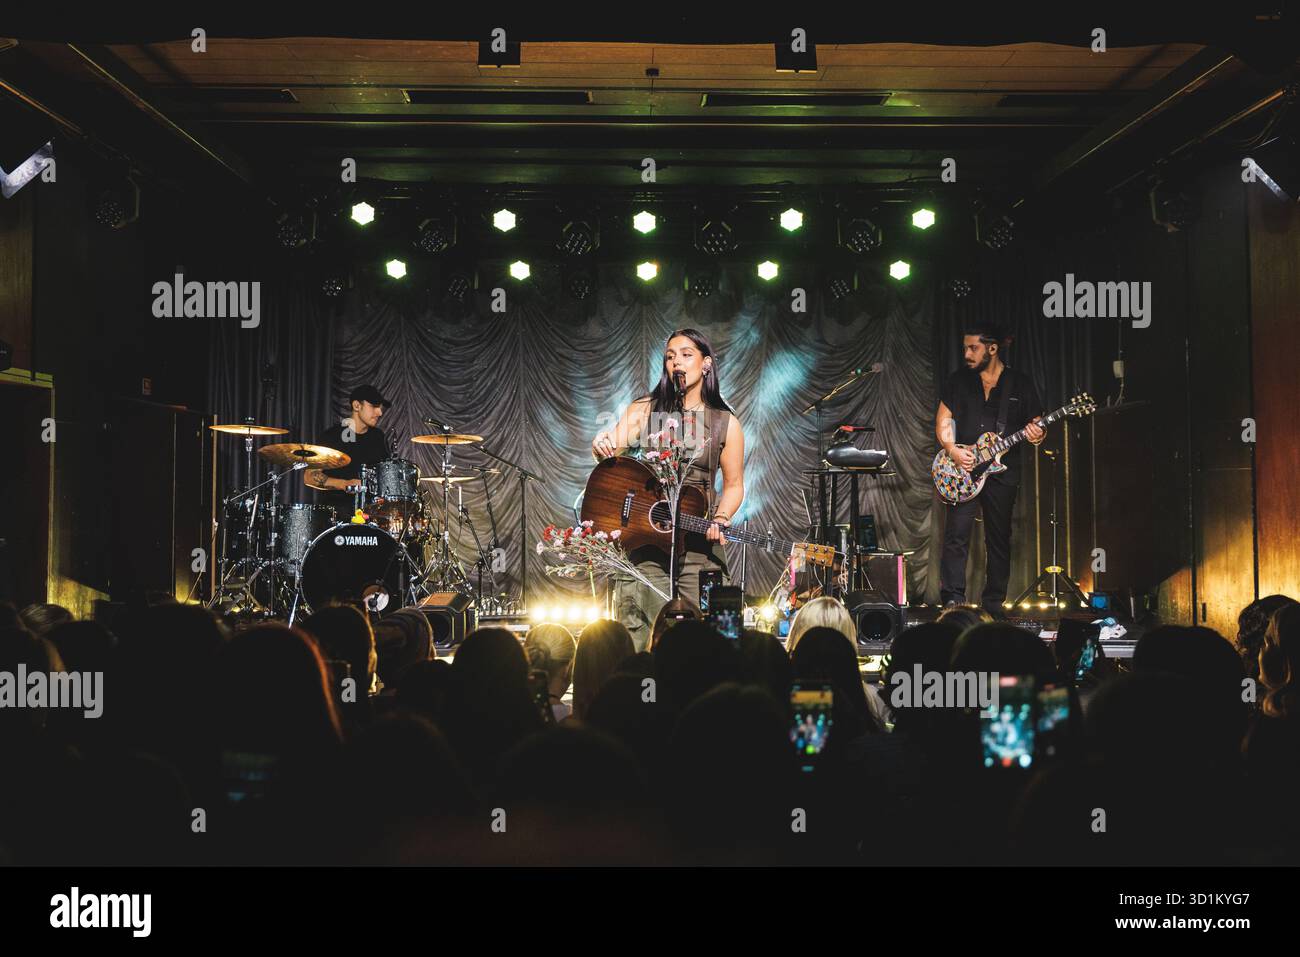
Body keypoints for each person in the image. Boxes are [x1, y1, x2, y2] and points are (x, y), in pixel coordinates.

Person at [591, 329, 746, 649]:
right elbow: (611, 453)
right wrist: (601, 445)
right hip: (647, 541)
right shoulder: (644, 410)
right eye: (670, 355)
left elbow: (733, 485)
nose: (677, 361)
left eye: (686, 354)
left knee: (713, 633)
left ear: (706, 364)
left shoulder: (725, 422)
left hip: (699, 541)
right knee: (642, 632)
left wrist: (721, 517)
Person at [935, 323, 1045, 615]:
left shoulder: (1019, 383)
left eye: (974, 348)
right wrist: (953, 450)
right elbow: (944, 421)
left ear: (992, 349)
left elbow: (1036, 423)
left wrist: (1038, 433)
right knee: (956, 535)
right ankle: (952, 599)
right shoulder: (958, 381)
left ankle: (994, 603)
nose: (967, 354)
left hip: (1002, 473)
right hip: (963, 470)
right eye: (965, 348)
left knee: (998, 537)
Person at [304, 384, 392, 515]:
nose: (380, 412)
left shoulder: (379, 437)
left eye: (380, 407)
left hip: (371, 516)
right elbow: (309, 477)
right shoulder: (331, 436)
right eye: (374, 406)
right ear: (357, 406)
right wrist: (345, 484)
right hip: (335, 516)